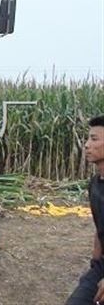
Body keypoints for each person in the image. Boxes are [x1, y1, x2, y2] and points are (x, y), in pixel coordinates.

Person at [67, 115, 104, 304]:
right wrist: (95, 266)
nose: (87, 145)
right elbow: (100, 229)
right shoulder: (95, 185)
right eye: (88, 138)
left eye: (94, 139)